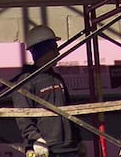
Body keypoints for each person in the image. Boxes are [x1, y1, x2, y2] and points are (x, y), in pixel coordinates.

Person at [14, 26, 79, 157]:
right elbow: (22, 116)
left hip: (67, 148)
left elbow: (69, 111)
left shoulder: (57, 78)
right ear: (43, 50)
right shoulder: (26, 81)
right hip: (44, 149)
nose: (58, 53)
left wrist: (78, 139)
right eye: (54, 48)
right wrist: (35, 139)